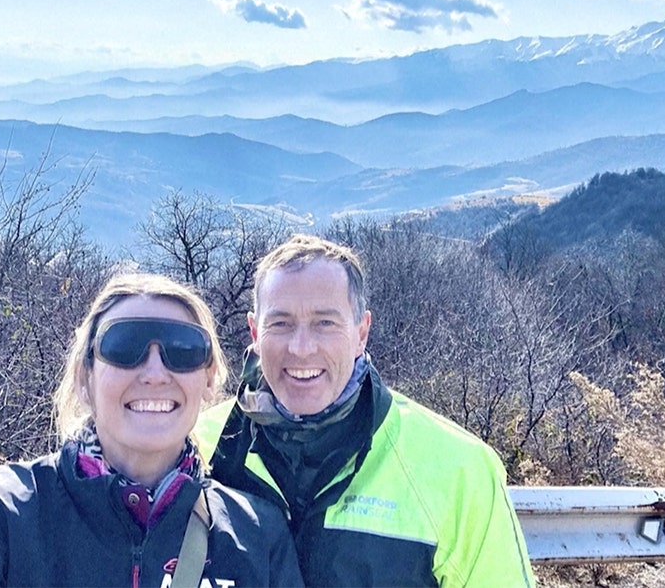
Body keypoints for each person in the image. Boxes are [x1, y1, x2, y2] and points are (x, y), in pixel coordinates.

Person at [0, 273, 303, 587]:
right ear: (84, 377)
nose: (154, 373)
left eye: (183, 351)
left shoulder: (257, 536)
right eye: (124, 347)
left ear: (209, 381)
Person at [194, 234, 536, 587]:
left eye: (325, 323)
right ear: (254, 332)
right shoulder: (199, 449)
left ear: (362, 333)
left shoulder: (458, 468)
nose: (301, 347)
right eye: (280, 323)